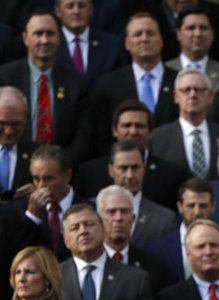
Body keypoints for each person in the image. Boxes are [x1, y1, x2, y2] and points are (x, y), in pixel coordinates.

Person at [0, 10, 91, 163]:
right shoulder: (4, 77)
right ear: (25, 38)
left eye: (50, 33)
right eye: (38, 33)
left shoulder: (77, 83)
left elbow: (83, 138)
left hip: (61, 170)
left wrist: (57, 164)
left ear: (59, 38)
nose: (44, 40)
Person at [72, 99, 189, 210]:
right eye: (127, 125)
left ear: (151, 132)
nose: (133, 132)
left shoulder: (172, 174)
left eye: (140, 126)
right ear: (114, 130)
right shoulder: (89, 174)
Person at [91, 12, 179, 152]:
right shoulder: (108, 84)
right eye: (137, 34)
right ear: (126, 43)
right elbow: (99, 135)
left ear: (161, 40)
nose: (144, 39)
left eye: (150, 33)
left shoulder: (180, 82)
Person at [149, 69, 219, 181]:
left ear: (210, 97)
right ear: (176, 97)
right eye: (186, 90)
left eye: (198, 90)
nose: (192, 95)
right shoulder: (157, 138)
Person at [165, 7, 219, 124]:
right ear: (179, 34)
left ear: (212, 34)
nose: (198, 33)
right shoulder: (163, 71)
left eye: (203, 28)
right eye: (191, 28)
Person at [15, 145, 89, 260]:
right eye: (36, 178)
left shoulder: (89, 209)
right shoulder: (22, 210)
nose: (41, 185)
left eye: (48, 178)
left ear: (67, 175)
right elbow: (16, 252)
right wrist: (32, 218)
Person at [96, 184, 172, 293]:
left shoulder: (154, 268)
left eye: (124, 211)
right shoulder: (88, 265)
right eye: (111, 212)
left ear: (133, 219)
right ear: (99, 219)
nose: (118, 218)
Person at [106, 139, 178, 248]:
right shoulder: (93, 211)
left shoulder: (165, 219)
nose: (130, 175)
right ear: (111, 170)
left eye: (135, 168)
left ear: (144, 169)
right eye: (123, 168)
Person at [145, 178, 218, 284]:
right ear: (180, 207)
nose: (197, 212)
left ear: (213, 206)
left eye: (203, 206)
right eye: (191, 206)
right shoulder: (156, 250)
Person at [53, 0, 127, 88]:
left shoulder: (112, 46)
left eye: (82, 6)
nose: (76, 11)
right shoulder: (49, 45)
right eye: (70, 6)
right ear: (58, 11)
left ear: (91, 10)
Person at [0, 86, 35, 194]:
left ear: (25, 121)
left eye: (16, 124)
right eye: (2, 123)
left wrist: (39, 190)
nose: (8, 131)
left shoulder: (37, 154)